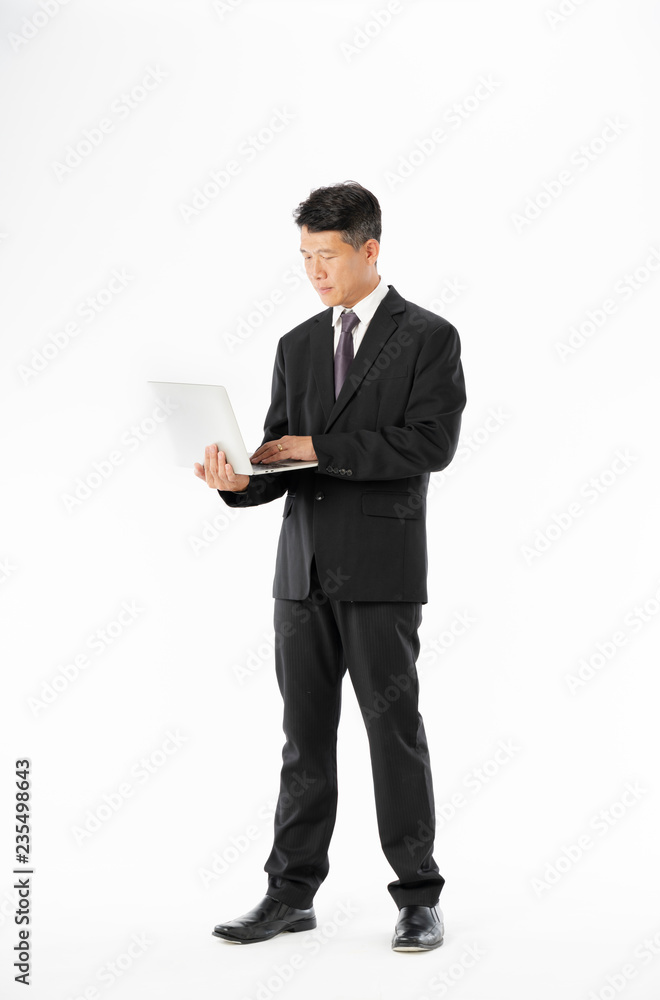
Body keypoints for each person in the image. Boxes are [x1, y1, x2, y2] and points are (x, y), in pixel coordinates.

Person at [194, 180, 466, 951]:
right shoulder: (297, 346)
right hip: (302, 574)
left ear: (369, 250)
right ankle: (290, 893)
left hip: (380, 574)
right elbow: (283, 455)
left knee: (393, 734)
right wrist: (241, 481)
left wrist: (319, 448)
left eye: (327, 255)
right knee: (302, 738)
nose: (314, 271)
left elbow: (428, 446)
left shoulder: (428, 337)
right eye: (304, 256)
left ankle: (417, 896)